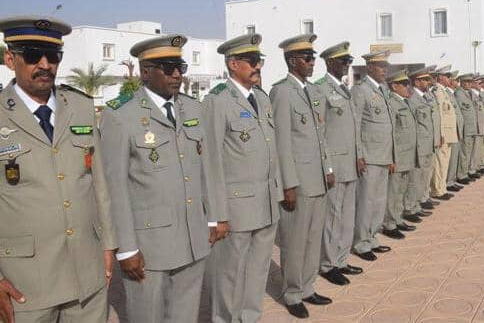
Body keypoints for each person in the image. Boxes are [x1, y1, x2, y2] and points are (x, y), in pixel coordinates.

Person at [100, 35, 226, 323]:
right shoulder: (121, 115)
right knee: (148, 315)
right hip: (149, 244)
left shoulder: (192, 108)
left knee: (185, 314)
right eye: (168, 68)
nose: (177, 74)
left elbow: (207, 167)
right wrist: (127, 248)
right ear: (145, 72)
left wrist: (214, 217)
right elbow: (114, 187)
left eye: (180, 66)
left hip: (193, 236)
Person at [0, 16, 116, 323]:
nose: (44, 64)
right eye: (32, 55)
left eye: (53, 56)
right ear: (10, 59)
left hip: (86, 276)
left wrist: (108, 246)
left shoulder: (80, 107)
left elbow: (99, 184)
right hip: (26, 283)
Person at [203, 34, 282, 323]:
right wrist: (217, 214)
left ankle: (250, 318)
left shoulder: (261, 98)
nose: (257, 66)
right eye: (251, 61)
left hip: (266, 203)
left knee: (258, 270)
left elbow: (271, 150)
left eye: (259, 61)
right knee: (229, 274)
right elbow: (210, 161)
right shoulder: (218, 101)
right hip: (235, 208)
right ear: (233, 64)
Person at [269, 34, 335, 319]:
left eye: (313, 58)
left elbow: (321, 135)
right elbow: (281, 142)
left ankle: (308, 286)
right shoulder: (282, 92)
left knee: (312, 239)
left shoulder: (311, 91)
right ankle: (292, 292)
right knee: (295, 242)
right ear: (292, 60)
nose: (312, 63)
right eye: (308, 59)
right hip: (298, 181)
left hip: (318, 177)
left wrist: (328, 168)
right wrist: (288, 184)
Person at [315, 42, 363, 286]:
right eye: (343, 61)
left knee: (347, 216)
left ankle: (341, 260)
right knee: (332, 217)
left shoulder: (345, 89)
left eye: (348, 61)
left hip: (351, 163)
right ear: (330, 63)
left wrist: (359, 155)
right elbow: (320, 132)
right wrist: (327, 167)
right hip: (335, 164)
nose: (347, 65)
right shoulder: (320, 89)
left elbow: (353, 127)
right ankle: (327, 264)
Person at [351, 50, 395, 261]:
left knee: (379, 201)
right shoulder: (361, 91)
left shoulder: (383, 89)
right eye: (380, 66)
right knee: (366, 202)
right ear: (369, 67)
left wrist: (392, 154)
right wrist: (359, 155)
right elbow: (356, 124)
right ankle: (361, 243)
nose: (384, 70)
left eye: (385, 66)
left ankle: (373, 237)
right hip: (369, 155)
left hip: (383, 154)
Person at [382, 70, 418, 240]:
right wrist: (391, 157)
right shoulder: (391, 103)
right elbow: (390, 133)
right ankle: (389, 224)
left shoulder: (405, 102)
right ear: (394, 86)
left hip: (407, 154)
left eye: (407, 84)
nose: (407, 87)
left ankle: (398, 218)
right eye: (403, 85)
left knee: (402, 189)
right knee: (394, 191)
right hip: (397, 155)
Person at [405, 68, 438, 221]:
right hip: (419, 146)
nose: (428, 82)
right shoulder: (412, 99)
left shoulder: (424, 97)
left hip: (428, 144)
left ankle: (418, 204)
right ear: (417, 82)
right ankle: (410, 208)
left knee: (423, 178)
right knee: (415, 179)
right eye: (425, 80)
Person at [430, 66, 456, 201]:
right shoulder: (437, 92)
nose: (449, 79)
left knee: (444, 162)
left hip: (449, 133)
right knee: (440, 163)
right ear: (440, 77)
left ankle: (442, 187)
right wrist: (439, 134)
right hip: (443, 134)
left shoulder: (444, 92)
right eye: (447, 76)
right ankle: (438, 190)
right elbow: (439, 114)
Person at [454, 74, 478, 184]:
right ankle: (461, 175)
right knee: (464, 153)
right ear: (461, 82)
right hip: (466, 129)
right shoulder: (458, 94)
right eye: (466, 82)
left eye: (470, 82)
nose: (469, 84)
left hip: (473, 127)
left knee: (471, 151)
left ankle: (468, 171)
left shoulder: (471, 93)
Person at [446, 71, 466, 190]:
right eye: (455, 80)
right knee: (451, 158)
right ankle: (448, 182)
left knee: (454, 158)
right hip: (450, 132)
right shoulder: (447, 93)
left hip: (456, 130)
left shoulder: (452, 93)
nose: (457, 83)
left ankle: (451, 180)